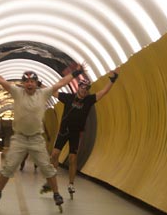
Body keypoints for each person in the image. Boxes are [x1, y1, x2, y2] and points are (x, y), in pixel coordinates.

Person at [0, 57, 84, 212]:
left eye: (32, 81)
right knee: (9, 166)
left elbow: (62, 83)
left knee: (47, 167)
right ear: (23, 83)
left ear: (36, 84)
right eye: (27, 81)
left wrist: (77, 72)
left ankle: (56, 194)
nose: (29, 84)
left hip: (36, 139)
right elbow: (0, 80)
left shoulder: (43, 93)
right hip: (19, 138)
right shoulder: (17, 92)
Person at [41, 68, 119, 197]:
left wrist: (112, 81)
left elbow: (103, 92)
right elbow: (52, 92)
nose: (85, 90)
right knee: (54, 155)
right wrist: (40, 85)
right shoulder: (68, 98)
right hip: (64, 131)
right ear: (78, 88)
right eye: (83, 88)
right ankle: (51, 181)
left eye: (87, 89)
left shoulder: (88, 100)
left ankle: (71, 184)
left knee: (72, 158)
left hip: (75, 133)